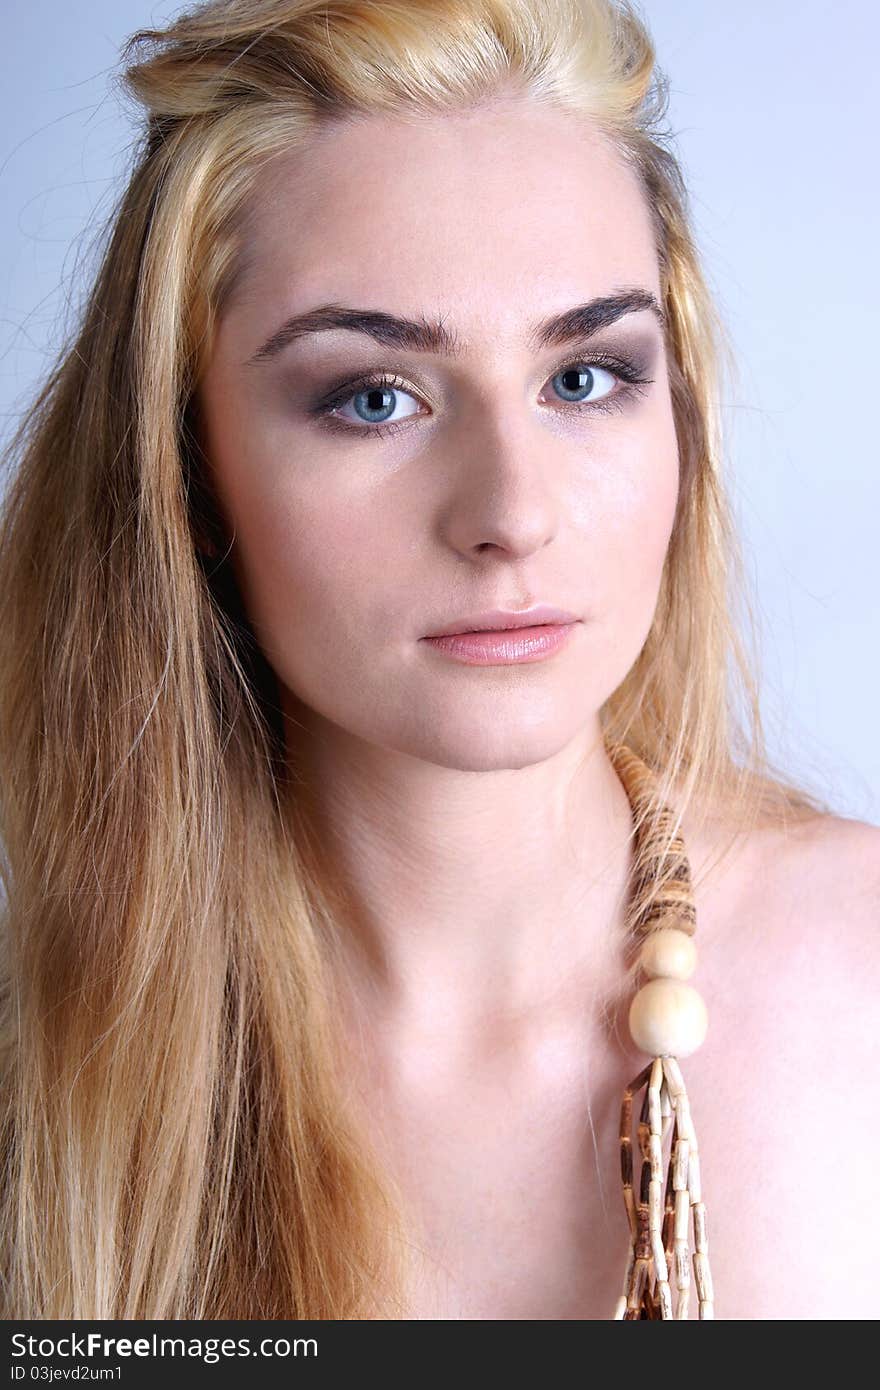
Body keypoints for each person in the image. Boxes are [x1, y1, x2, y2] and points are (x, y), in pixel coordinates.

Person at [0, 0, 876, 1322]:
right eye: (374, 396)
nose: (511, 514)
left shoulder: (858, 972)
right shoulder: (52, 1084)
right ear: (184, 467)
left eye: (585, 376)